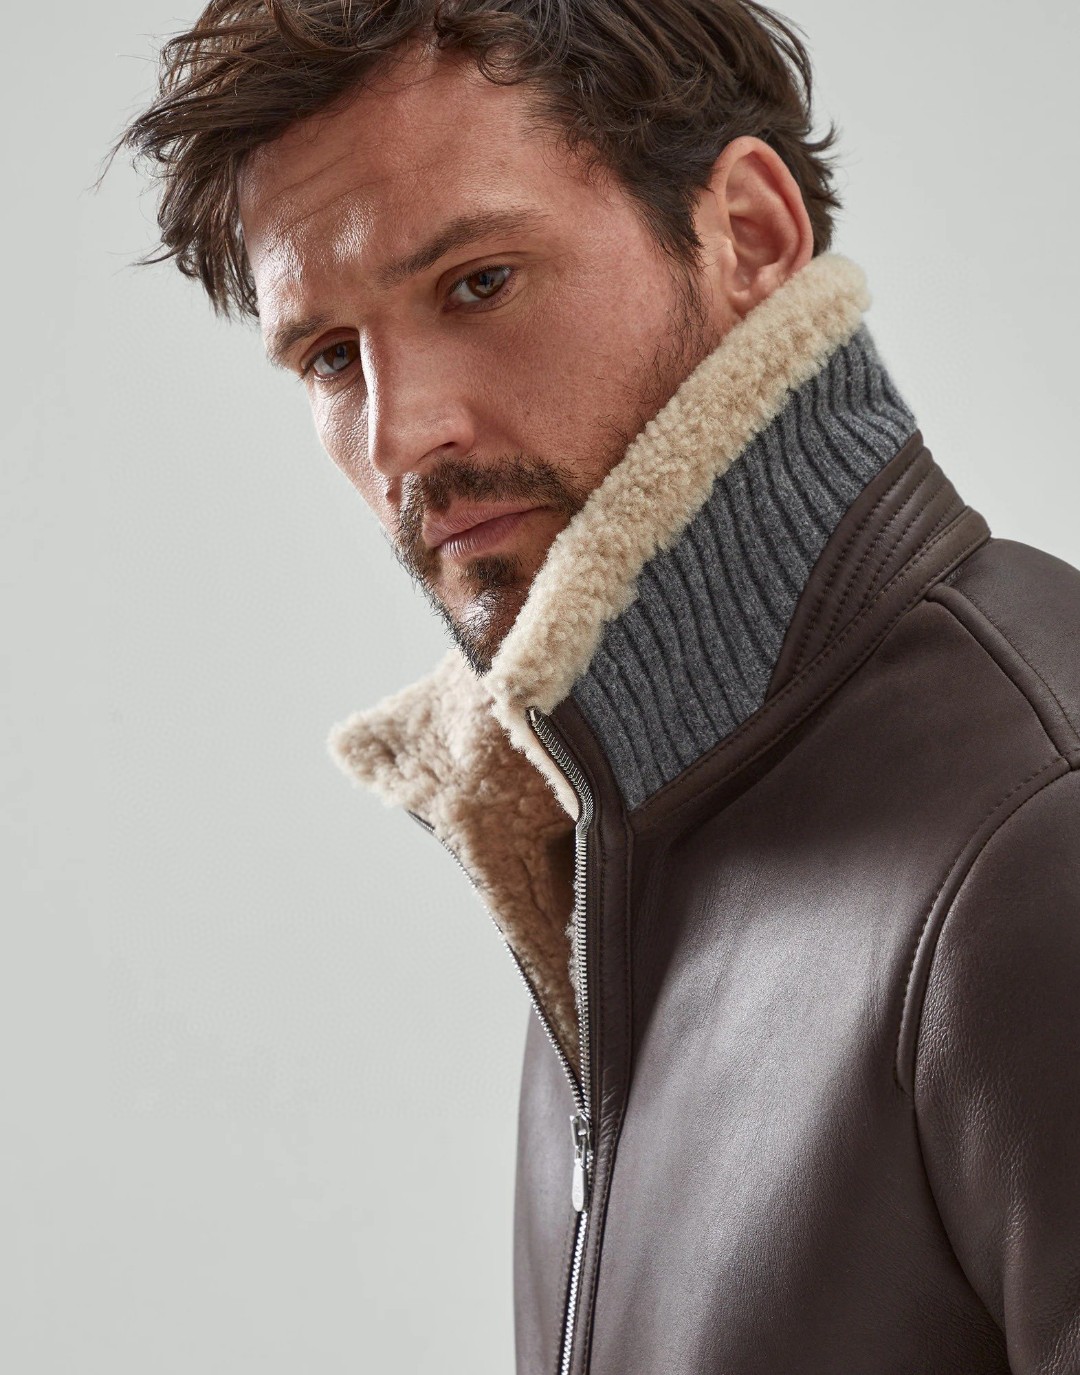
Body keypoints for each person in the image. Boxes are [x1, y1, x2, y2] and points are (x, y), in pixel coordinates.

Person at [118, 2, 1080, 1370]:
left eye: (478, 284)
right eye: (331, 356)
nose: (401, 436)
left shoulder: (1043, 833)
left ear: (750, 233)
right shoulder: (603, 821)